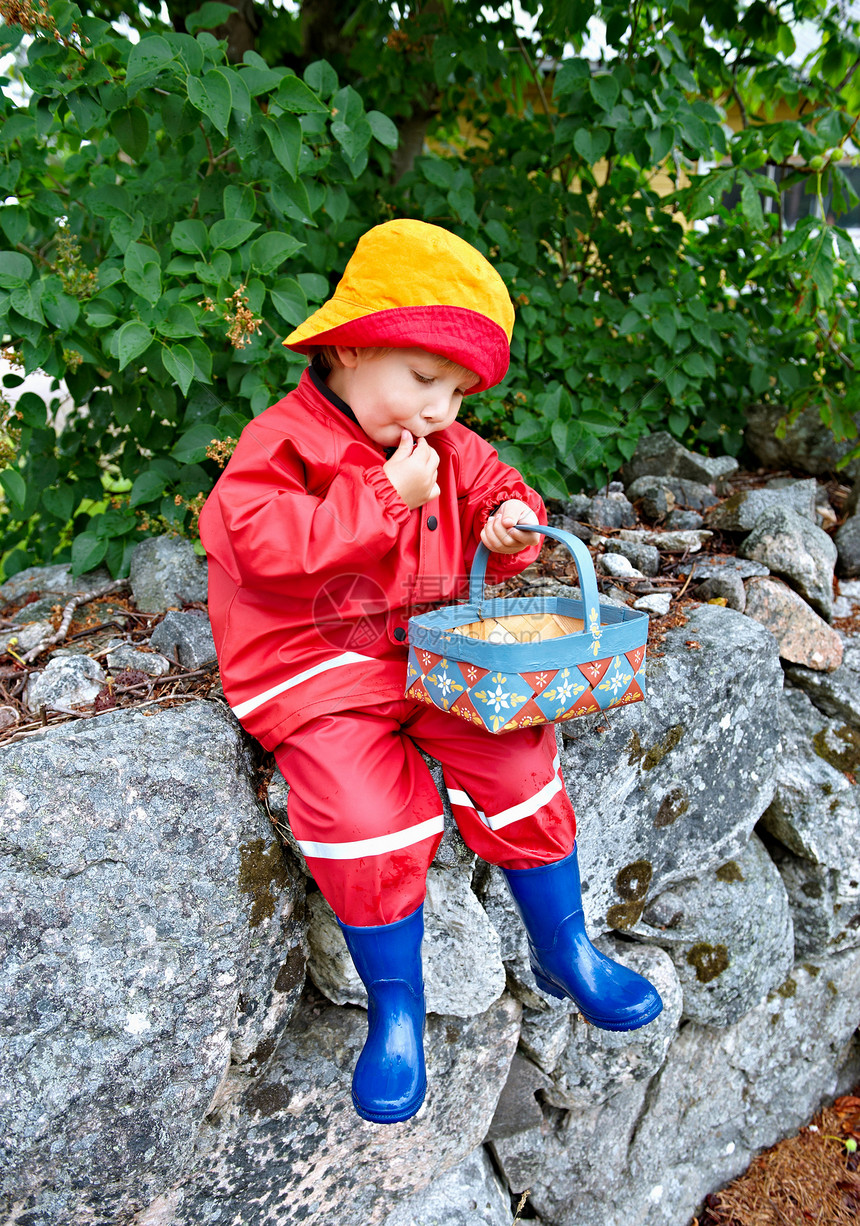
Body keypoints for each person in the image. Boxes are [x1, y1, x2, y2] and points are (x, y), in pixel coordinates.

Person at [198, 219, 662, 1126]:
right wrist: (380, 498)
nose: (442, 410)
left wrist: (511, 523)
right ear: (352, 346)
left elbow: (501, 487)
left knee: (521, 753)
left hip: (435, 654)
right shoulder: (282, 443)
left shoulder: (447, 448)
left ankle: (564, 946)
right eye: (422, 379)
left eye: (455, 390)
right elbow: (253, 540)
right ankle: (396, 1005)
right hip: (318, 668)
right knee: (360, 810)